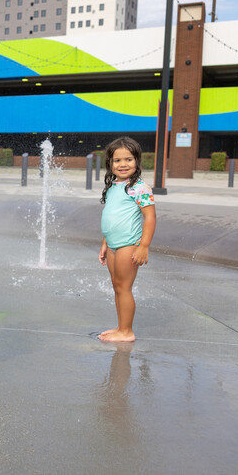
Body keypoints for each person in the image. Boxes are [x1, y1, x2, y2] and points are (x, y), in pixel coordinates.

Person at [98, 137, 156, 342]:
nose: (123, 164)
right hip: (113, 245)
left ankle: (127, 331)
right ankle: (121, 327)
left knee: (124, 287)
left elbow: (150, 217)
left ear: (137, 161)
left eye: (128, 159)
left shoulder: (139, 187)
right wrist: (105, 243)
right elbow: (112, 217)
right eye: (117, 160)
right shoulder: (114, 186)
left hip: (128, 245)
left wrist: (144, 246)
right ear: (110, 164)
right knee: (117, 286)